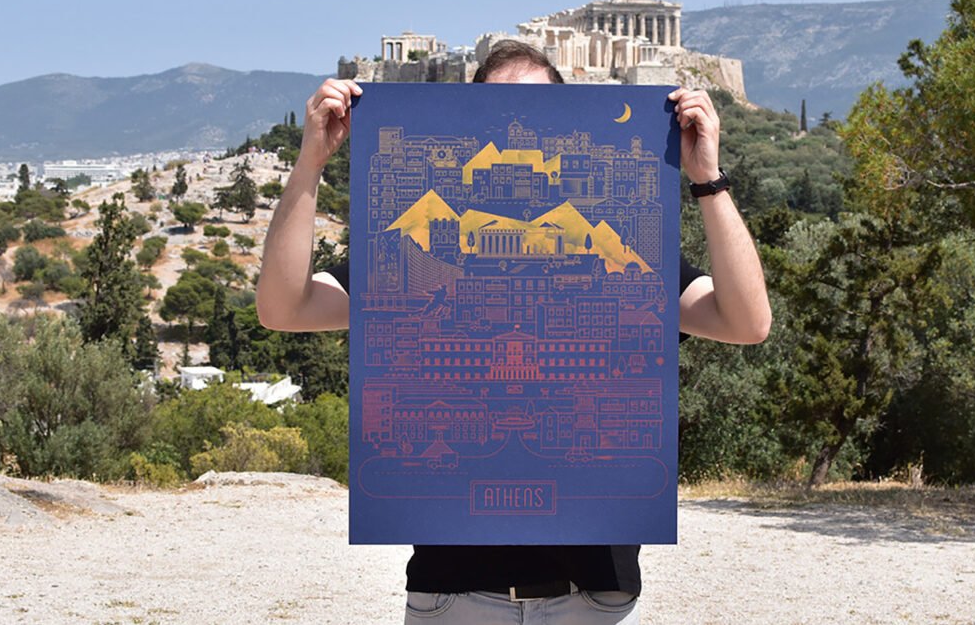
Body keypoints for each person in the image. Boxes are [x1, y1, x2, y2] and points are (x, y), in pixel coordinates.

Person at [257, 40, 771, 623]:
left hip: (593, 599)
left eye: (538, 115)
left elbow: (748, 322)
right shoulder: (417, 248)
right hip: (451, 597)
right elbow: (284, 308)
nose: (515, 132)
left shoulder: (617, 252)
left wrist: (708, 179)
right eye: (496, 116)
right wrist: (310, 163)